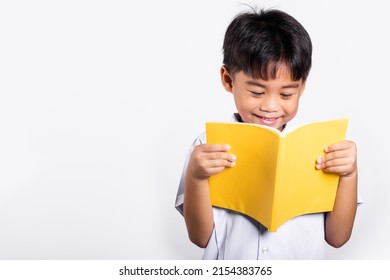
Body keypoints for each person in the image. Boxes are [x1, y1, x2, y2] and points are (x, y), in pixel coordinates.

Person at [175, 7, 359, 259]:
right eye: (257, 92)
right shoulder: (208, 146)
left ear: (302, 87)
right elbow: (199, 237)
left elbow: (337, 238)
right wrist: (196, 177)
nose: (271, 106)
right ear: (229, 80)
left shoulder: (324, 147)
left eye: (286, 94)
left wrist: (349, 174)